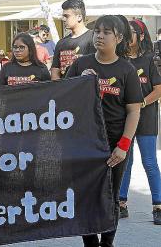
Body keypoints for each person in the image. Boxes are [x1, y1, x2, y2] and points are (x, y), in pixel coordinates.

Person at [66, 15, 143, 247]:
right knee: (85, 194)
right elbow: (65, 98)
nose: (99, 35)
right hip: (85, 141)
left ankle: (107, 242)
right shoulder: (81, 64)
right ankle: (90, 242)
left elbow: (134, 111)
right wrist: (80, 82)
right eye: (97, 31)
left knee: (110, 196)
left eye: (106, 32)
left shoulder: (127, 70)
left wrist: (124, 146)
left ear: (119, 38)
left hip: (114, 142)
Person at [118, 19, 161, 225]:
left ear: (141, 36)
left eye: (132, 32)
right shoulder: (121, 61)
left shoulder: (149, 60)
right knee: (125, 161)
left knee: (150, 162)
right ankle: (121, 203)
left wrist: (140, 103)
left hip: (146, 118)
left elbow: (159, 89)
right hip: (125, 120)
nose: (127, 36)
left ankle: (158, 206)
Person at [51, 0, 96, 80]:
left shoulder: (94, 38)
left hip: (86, 89)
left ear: (79, 17)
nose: (63, 19)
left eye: (66, 16)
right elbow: (55, 70)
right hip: (65, 90)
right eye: (63, 16)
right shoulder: (61, 43)